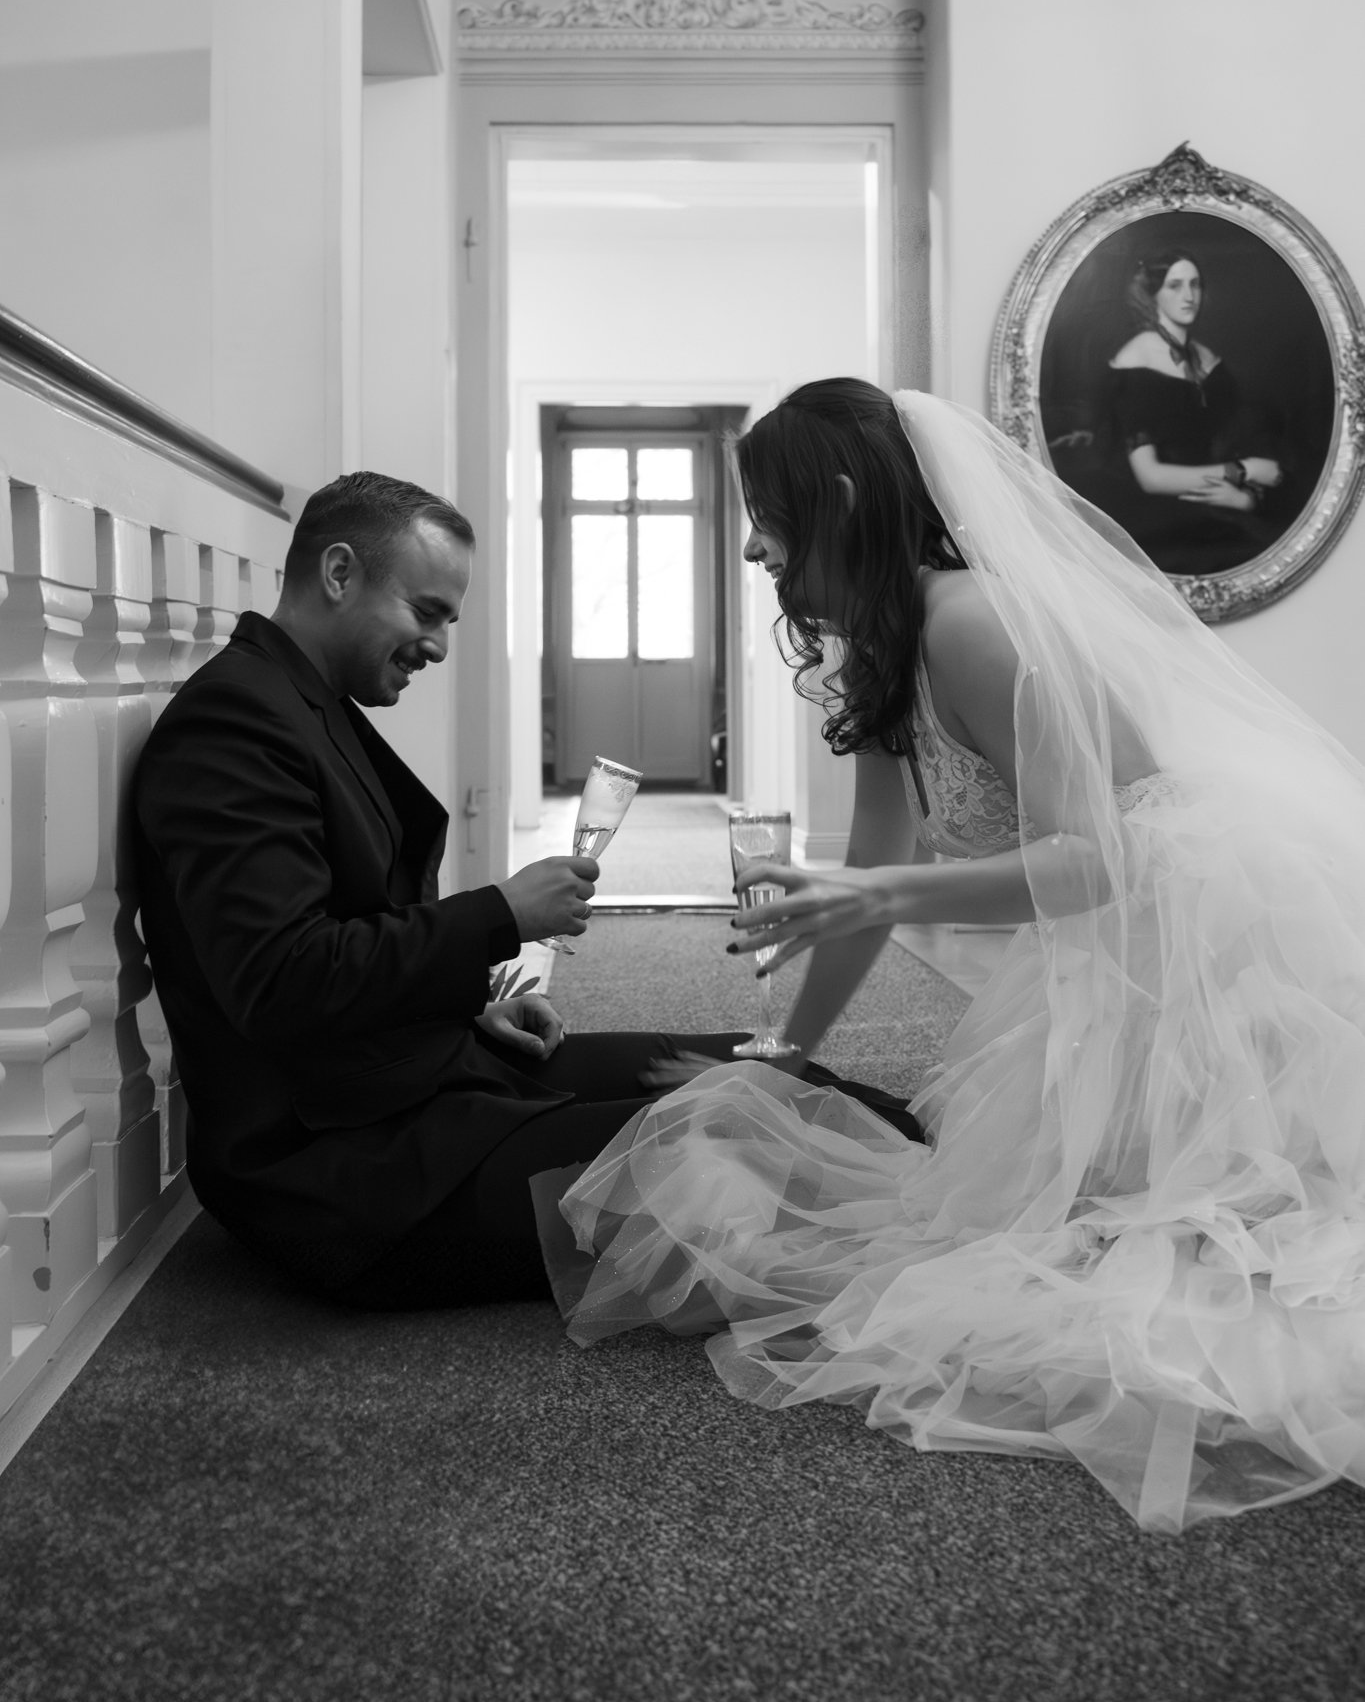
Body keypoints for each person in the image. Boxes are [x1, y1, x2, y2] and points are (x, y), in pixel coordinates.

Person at [543, 380, 1365, 1533]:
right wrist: (783, 1050)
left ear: (833, 498)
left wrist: (873, 886)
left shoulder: (969, 621)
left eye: (764, 511)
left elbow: (1100, 862)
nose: (748, 543)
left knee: (1190, 1273)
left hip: (1205, 934)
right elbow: (872, 884)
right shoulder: (889, 645)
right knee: (1020, 1234)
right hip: (1106, 958)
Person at [131, 470, 920, 1311]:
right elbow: (283, 980)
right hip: (347, 1171)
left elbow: (337, 925)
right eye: (425, 612)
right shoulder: (234, 723)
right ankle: (972, 1190)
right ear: (337, 574)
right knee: (744, 1134)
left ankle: (970, 1159)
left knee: (757, 1069)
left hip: (417, 1079)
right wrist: (501, 914)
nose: (436, 646)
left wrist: (466, 1007)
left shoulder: (300, 699)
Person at [1096, 248, 1285, 572]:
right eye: (1175, 285)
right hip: (1160, 516)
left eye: (1195, 284)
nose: (1189, 296)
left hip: (1219, 502)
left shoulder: (1208, 360)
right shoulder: (1134, 359)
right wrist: (1243, 471)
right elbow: (1151, 478)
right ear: (1152, 293)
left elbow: (1242, 440)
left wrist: (1245, 497)